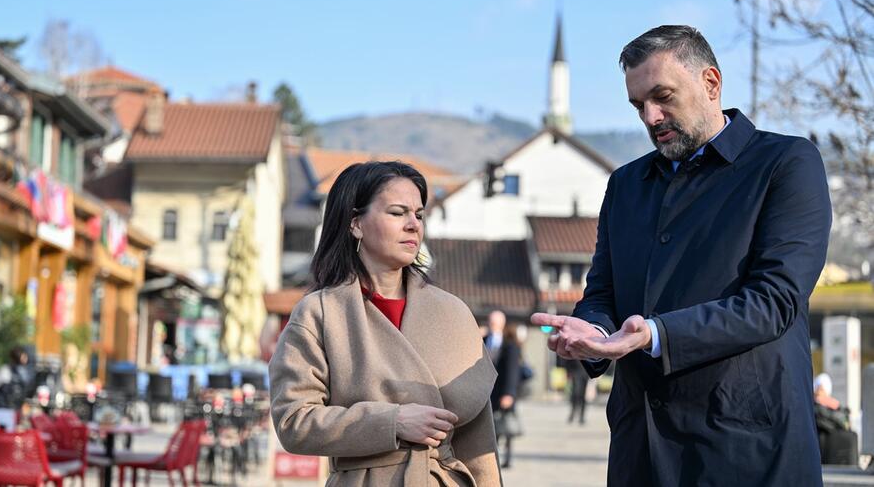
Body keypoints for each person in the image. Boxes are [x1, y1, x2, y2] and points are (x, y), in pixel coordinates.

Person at [531, 25, 831, 486]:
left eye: (663, 96)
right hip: (641, 453)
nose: (651, 117)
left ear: (711, 83)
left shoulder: (785, 163)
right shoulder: (626, 184)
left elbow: (775, 301)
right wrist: (593, 330)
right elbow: (603, 292)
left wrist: (653, 334)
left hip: (746, 453)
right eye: (638, 105)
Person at [269, 161, 501, 486]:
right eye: (397, 213)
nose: (413, 225)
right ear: (356, 224)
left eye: (418, 215)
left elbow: (479, 442)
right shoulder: (320, 312)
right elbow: (294, 421)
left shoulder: (453, 313)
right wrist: (391, 422)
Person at [484, 311, 521, 468]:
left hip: (503, 391)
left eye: (496, 322)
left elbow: (513, 371)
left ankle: (507, 458)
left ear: (502, 323)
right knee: (491, 426)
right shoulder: (483, 340)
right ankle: (492, 457)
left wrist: (509, 393)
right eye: (491, 321)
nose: (493, 324)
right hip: (487, 392)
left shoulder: (510, 344)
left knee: (507, 426)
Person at [565, 360, 589, 425]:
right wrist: (568, 372)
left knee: (582, 395)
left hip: (585, 373)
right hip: (575, 373)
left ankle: (581, 416)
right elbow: (568, 360)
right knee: (575, 394)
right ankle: (572, 413)